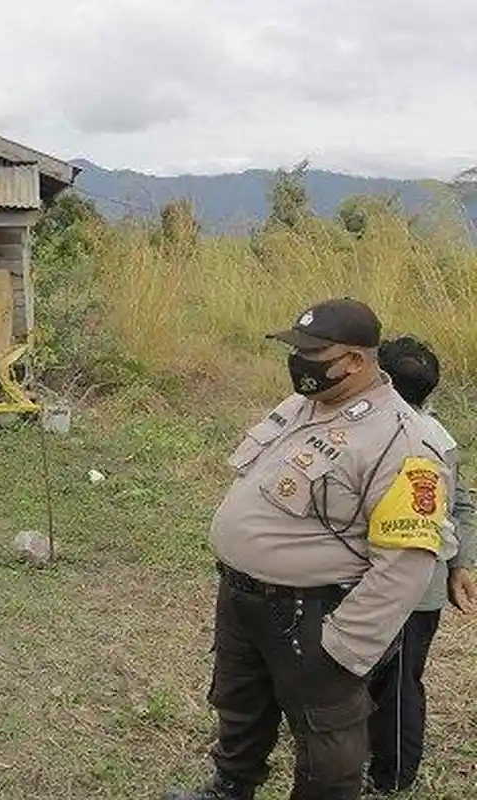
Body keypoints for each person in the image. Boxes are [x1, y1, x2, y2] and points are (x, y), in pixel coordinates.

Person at [163, 297, 459, 800]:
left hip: (312, 611)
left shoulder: (402, 442)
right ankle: (231, 787)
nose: (299, 360)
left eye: (313, 351)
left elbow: (406, 564)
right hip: (244, 598)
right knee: (240, 703)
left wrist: (347, 646)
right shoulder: (305, 404)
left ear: (357, 361)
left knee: (328, 735)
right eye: (295, 347)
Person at [365, 335, 477, 794]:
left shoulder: (384, 436)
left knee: (396, 682)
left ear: (382, 380)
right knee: (393, 675)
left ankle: (392, 776)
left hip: (395, 580)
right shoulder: (440, 436)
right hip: (425, 582)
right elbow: (463, 506)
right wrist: (461, 566)